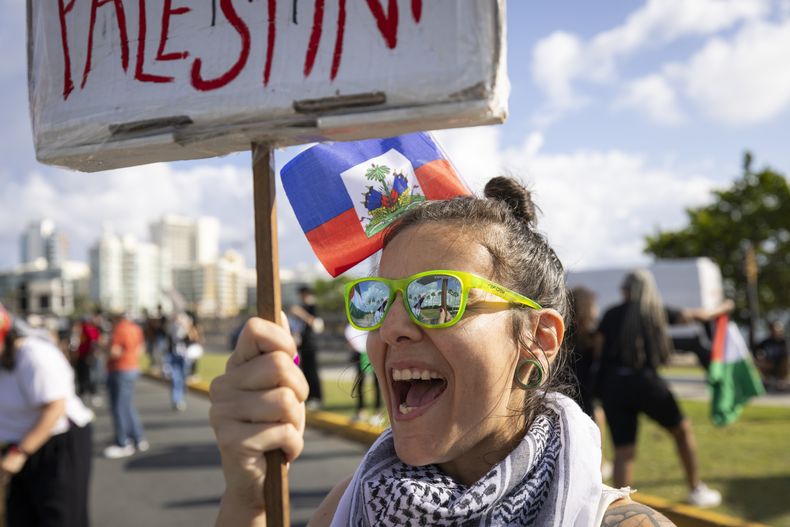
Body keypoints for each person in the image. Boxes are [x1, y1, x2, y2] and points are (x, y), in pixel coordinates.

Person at [208, 176, 675, 526]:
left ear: (539, 339)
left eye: (437, 297)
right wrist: (248, 500)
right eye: (377, 300)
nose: (392, 329)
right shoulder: (350, 507)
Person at [596, 269, 734, 508]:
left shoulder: (610, 315)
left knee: (623, 451)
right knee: (682, 431)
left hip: (615, 387)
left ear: (625, 290)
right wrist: (724, 307)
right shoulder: (656, 312)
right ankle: (695, 489)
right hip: (647, 384)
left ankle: (617, 509)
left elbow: (598, 350)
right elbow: (701, 316)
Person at [0, 303, 94, 527]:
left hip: (57, 444)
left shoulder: (33, 356)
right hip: (19, 446)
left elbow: (55, 408)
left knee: (59, 517)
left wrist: (20, 452)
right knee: (21, 517)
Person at [103, 312, 148, 459]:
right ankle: (138, 437)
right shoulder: (135, 328)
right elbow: (141, 348)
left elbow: (113, 352)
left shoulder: (119, 329)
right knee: (127, 405)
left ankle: (123, 442)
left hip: (119, 369)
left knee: (118, 407)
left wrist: (103, 348)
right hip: (132, 368)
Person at [290, 286, 324, 409]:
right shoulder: (303, 308)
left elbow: (317, 324)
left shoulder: (313, 308)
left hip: (312, 345)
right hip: (302, 345)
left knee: (313, 372)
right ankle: (309, 397)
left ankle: (317, 398)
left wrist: (301, 313)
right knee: (305, 372)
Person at [345, 323, 382, 424]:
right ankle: (361, 411)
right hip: (360, 353)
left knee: (377, 383)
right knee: (360, 382)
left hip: (374, 351)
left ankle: (377, 412)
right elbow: (350, 332)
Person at [167, 311, 200, 411]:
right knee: (175, 379)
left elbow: (194, 339)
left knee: (183, 378)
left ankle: (181, 397)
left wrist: (187, 327)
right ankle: (177, 400)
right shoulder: (172, 329)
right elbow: (169, 342)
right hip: (174, 356)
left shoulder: (190, 330)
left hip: (185, 358)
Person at [74, 315, 102, 406]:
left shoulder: (87, 329)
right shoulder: (82, 329)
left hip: (87, 356)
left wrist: (90, 355)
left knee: (89, 375)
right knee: (83, 375)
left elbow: (93, 343)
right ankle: (84, 393)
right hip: (83, 356)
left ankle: (92, 394)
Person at [754, 320, 788, 391]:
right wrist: (760, 358)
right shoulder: (765, 342)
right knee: (758, 362)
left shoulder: (785, 342)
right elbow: (756, 352)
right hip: (769, 364)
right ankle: (768, 380)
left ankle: (782, 380)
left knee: (785, 360)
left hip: (781, 365)